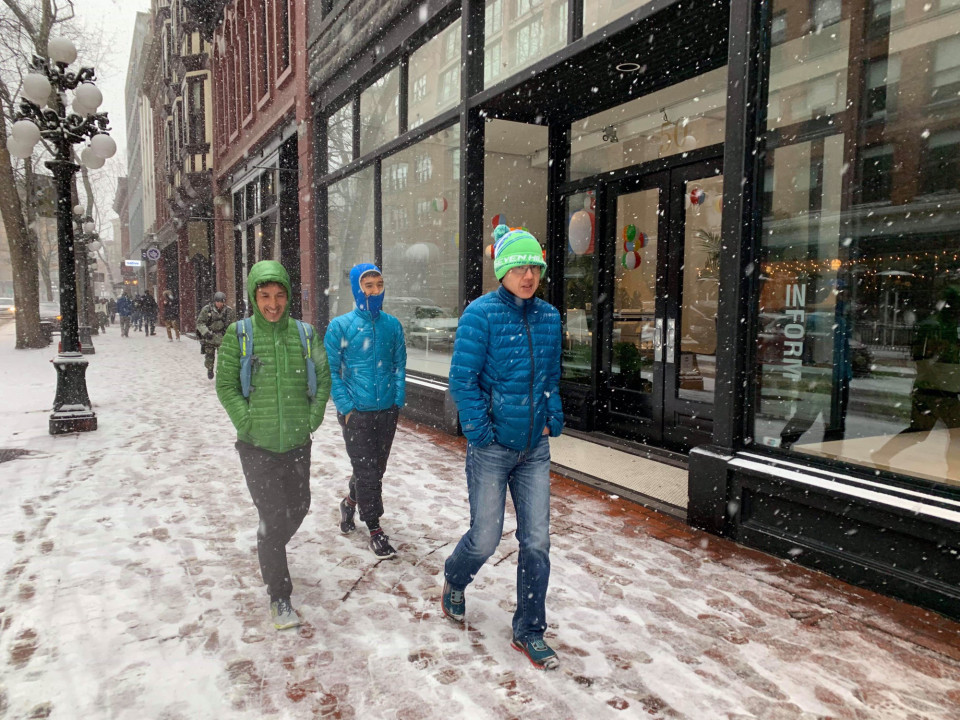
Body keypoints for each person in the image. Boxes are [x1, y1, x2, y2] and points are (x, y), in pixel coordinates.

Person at [440, 225, 564, 670]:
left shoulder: (550, 317)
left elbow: (550, 376)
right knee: (486, 537)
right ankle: (456, 577)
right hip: (492, 448)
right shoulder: (481, 314)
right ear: (502, 271)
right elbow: (462, 379)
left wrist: (551, 417)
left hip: (534, 449)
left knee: (537, 541)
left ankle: (530, 629)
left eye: (534, 267)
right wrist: (480, 431)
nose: (528, 276)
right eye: (518, 267)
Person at [216, 260, 331, 630]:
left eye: (279, 295)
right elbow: (226, 385)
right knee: (273, 514)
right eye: (265, 296)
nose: (273, 304)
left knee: (300, 506)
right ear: (254, 297)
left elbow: (323, 378)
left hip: (297, 441)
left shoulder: (305, 334)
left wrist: (312, 418)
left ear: (288, 296)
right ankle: (280, 595)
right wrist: (247, 421)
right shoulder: (239, 334)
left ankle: (269, 542)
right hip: (256, 446)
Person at [324, 263, 406, 558]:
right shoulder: (340, 326)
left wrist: (397, 400)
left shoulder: (392, 325)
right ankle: (374, 528)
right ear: (357, 289)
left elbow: (399, 365)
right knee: (368, 472)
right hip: (356, 412)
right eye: (368, 285)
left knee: (374, 469)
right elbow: (330, 371)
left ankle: (349, 503)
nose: (374, 291)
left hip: (386, 411)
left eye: (379, 285)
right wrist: (347, 408)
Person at [196, 291, 237, 380]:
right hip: (210, 337)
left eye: (221, 302)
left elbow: (233, 324)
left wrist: (228, 333)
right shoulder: (207, 309)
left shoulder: (229, 311)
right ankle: (210, 369)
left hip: (222, 337)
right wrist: (206, 332)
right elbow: (200, 323)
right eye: (217, 302)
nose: (219, 304)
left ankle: (221, 373)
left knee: (223, 357)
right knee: (209, 357)